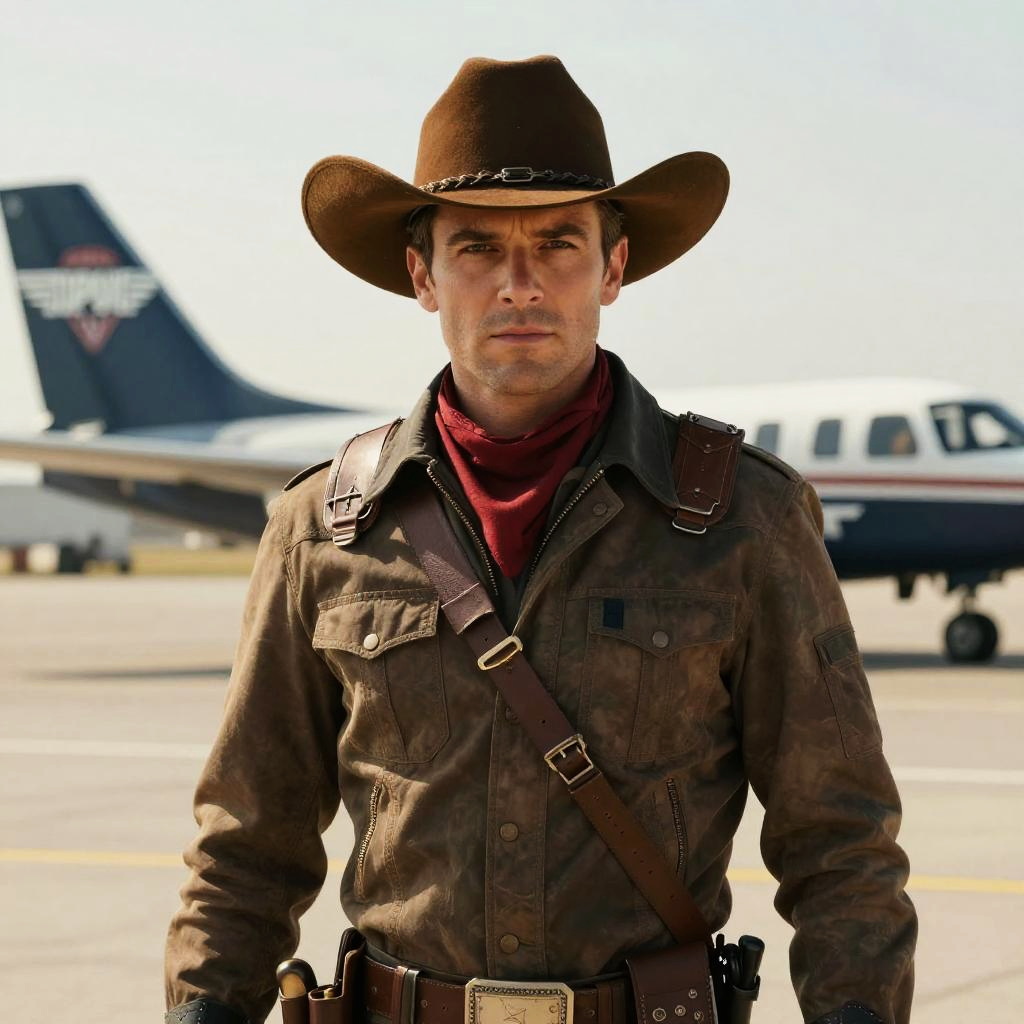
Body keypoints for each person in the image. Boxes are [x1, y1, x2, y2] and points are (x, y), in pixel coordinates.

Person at [165, 55, 916, 1024]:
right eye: (476, 246)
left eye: (559, 241)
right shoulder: (323, 526)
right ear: (422, 275)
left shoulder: (743, 519)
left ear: (612, 266)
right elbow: (244, 849)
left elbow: (842, 842)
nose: (519, 283)